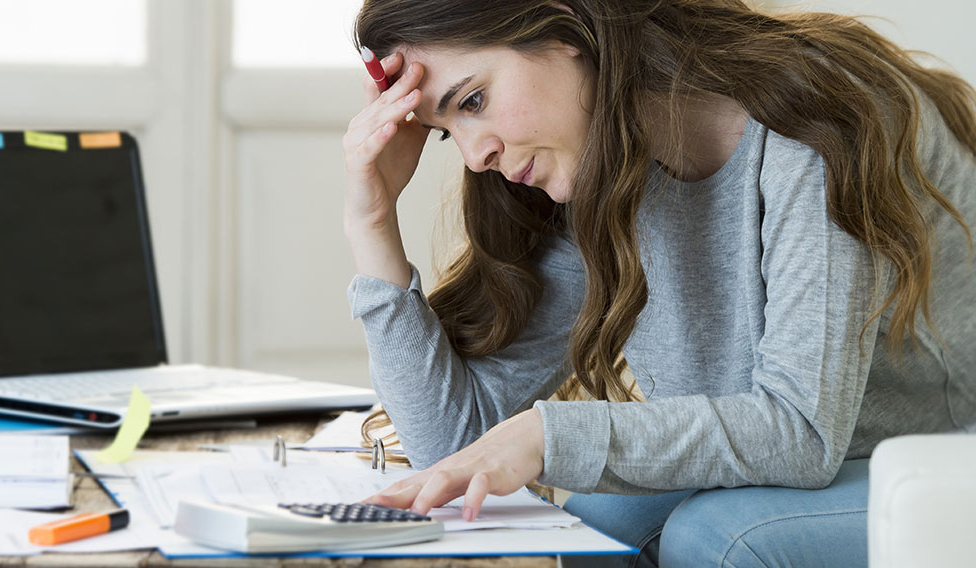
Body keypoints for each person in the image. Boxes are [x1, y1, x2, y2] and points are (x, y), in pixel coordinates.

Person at [340, 0, 976, 566]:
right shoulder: (596, 166)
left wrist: (542, 434)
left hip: (950, 450)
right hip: (837, 452)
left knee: (720, 536)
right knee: (598, 527)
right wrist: (371, 222)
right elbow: (452, 448)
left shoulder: (815, 118)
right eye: (448, 133)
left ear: (566, 28)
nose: (475, 155)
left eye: (473, 100)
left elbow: (800, 431)